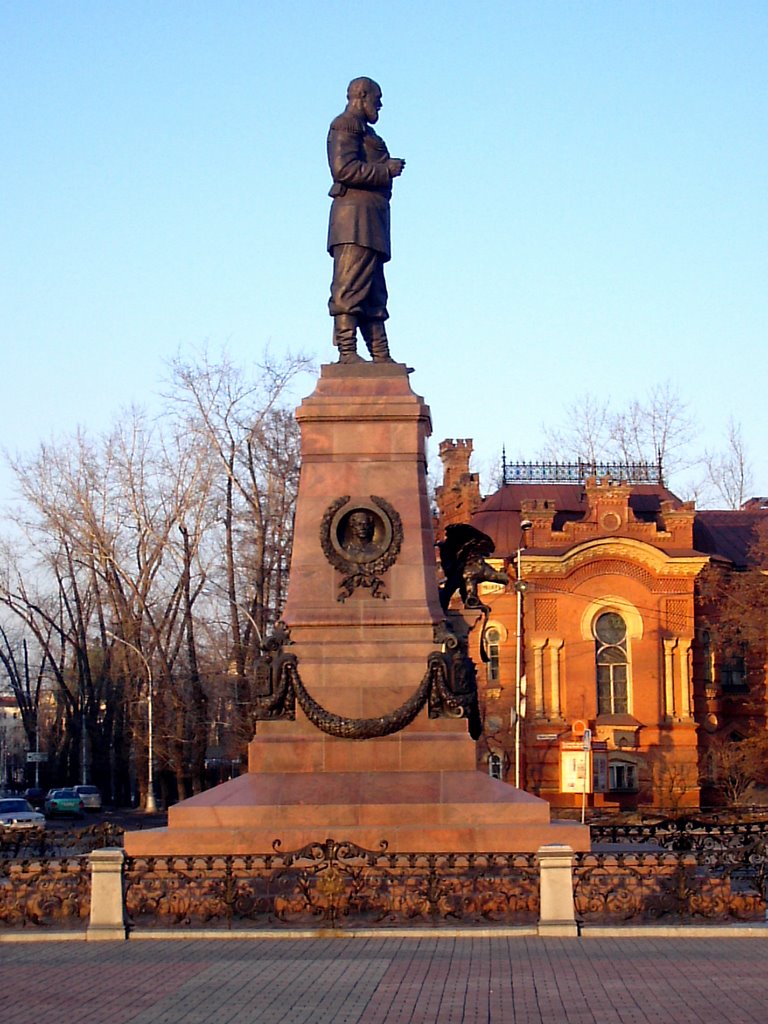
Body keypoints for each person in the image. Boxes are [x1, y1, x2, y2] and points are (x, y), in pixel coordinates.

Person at [327, 77, 405, 363]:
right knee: (349, 285)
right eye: (377, 98)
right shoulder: (345, 125)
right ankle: (347, 353)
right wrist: (385, 170)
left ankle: (381, 356)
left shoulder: (365, 132)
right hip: (353, 223)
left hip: (371, 223)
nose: (380, 105)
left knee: (373, 291)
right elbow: (343, 169)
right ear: (361, 95)